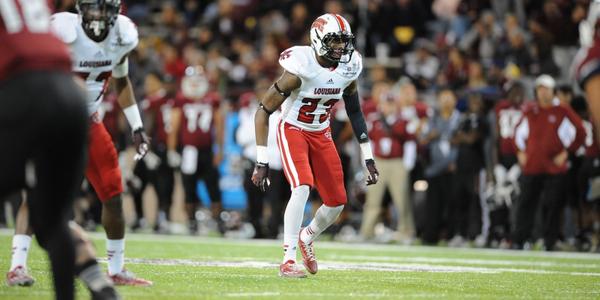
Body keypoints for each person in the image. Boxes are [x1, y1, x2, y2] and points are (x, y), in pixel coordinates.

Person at [6, 0, 152, 286]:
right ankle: (17, 266)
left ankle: (117, 269)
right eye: (93, 8)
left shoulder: (123, 34)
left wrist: (136, 124)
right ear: (81, 9)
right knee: (34, 192)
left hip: (88, 120)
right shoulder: (61, 28)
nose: (98, 16)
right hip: (52, 117)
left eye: (104, 9)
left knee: (113, 194)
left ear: (115, 12)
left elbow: (121, 81)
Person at [251, 13, 379, 278]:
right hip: (293, 129)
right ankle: (287, 260)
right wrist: (261, 160)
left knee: (337, 202)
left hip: (322, 132)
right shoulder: (299, 69)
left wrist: (368, 156)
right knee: (301, 187)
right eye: (335, 41)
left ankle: (307, 237)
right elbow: (262, 111)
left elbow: (355, 112)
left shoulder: (348, 67)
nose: (341, 48)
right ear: (318, 39)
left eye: (344, 42)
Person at [512, 75, 585, 250]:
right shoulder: (530, 111)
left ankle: (549, 242)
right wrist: (519, 151)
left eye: (546, 89)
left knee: (553, 205)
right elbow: (517, 133)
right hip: (532, 167)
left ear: (553, 91)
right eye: (540, 89)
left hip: (554, 168)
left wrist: (567, 152)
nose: (543, 92)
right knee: (525, 204)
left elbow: (581, 131)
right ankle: (520, 240)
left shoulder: (562, 110)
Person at [169, 66, 225, 235]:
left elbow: (219, 125)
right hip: (188, 151)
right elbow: (175, 126)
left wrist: (219, 150)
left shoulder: (212, 99)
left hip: (206, 150)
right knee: (189, 187)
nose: (194, 84)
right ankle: (191, 221)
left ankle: (217, 220)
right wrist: (172, 150)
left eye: (198, 81)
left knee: (213, 188)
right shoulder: (181, 99)